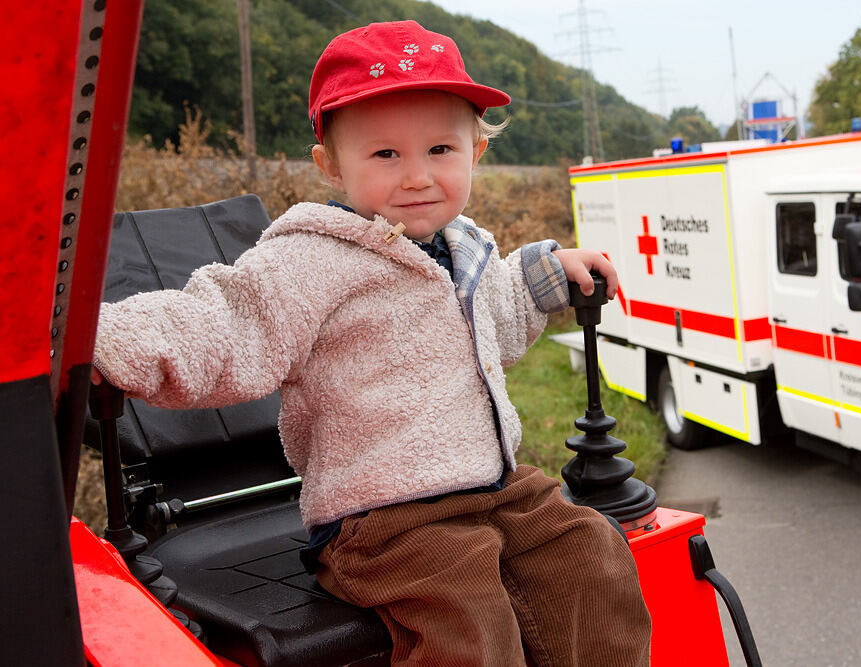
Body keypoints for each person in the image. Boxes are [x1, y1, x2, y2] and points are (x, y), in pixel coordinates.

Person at [93, 19, 651, 666]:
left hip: (492, 486)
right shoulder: (312, 260)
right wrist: (108, 338)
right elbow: (227, 322)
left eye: (440, 149)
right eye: (386, 155)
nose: (416, 176)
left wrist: (545, 273)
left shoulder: (465, 250)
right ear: (330, 165)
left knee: (592, 555)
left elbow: (500, 307)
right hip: (382, 520)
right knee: (468, 626)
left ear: (477, 153)